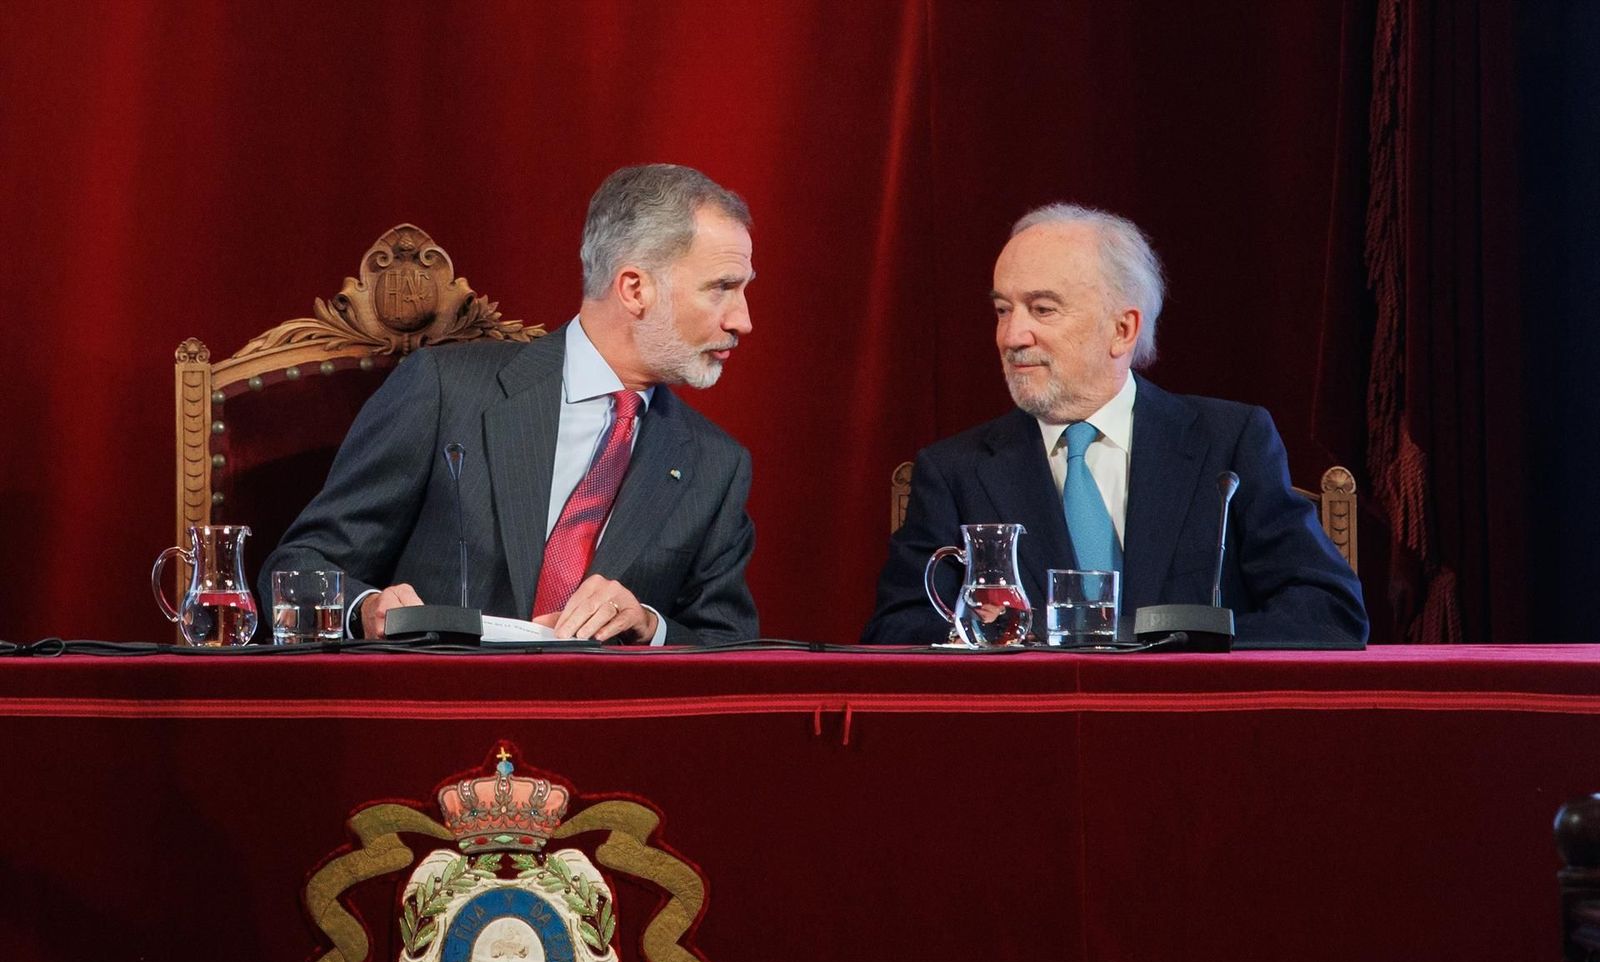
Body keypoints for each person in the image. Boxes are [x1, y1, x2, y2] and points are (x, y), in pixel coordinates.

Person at [260, 164, 758, 644]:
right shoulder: (446, 391)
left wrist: (650, 626)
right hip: (440, 715)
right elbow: (299, 568)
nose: (742, 320)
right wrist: (365, 610)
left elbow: (729, 649)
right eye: (722, 288)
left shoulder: (715, 465)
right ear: (634, 289)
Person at [862, 203, 1367, 647]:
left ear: (1122, 329)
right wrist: (1008, 638)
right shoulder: (955, 471)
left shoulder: (1228, 444)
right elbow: (898, 630)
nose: (1012, 335)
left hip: (1194, 733)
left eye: (1042, 309)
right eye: (1002, 309)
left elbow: (1328, 611)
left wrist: (1183, 643)